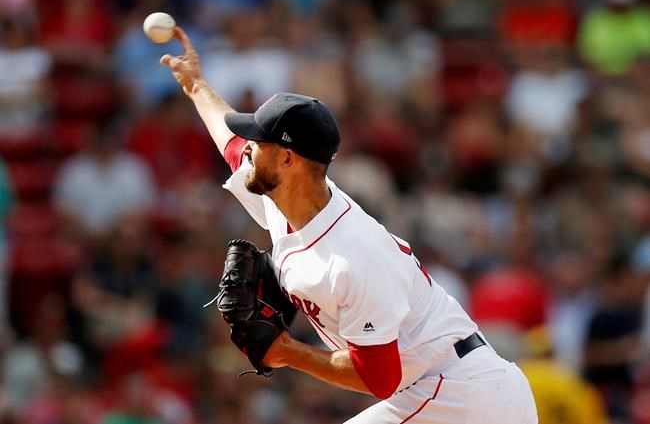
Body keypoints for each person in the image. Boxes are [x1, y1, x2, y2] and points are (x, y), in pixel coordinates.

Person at [161, 26, 538, 424]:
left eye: (260, 141)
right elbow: (232, 144)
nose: (249, 148)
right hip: (436, 390)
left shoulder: (352, 256)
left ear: (289, 160)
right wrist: (197, 85)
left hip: (464, 396)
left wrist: (288, 351)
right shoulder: (283, 197)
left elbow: (380, 378)